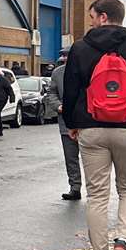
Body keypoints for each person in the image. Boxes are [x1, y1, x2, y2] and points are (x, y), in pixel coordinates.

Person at [61, 0, 126, 250]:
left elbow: (71, 88)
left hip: (91, 128)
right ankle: (123, 240)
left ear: (102, 16)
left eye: (91, 16)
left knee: (97, 195)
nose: (90, 22)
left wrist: (72, 124)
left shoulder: (81, 48)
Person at [44, 51, 80, 200]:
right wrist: (58, 106)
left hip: (87, 121)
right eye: (63, 56)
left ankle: (94, 189)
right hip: (65, 121)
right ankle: (75, 187)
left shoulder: (86, 68)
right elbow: (51, 93)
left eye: (68, 55)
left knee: (91, 157)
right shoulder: (57, 73)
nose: (65, 58)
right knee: (70, 157)